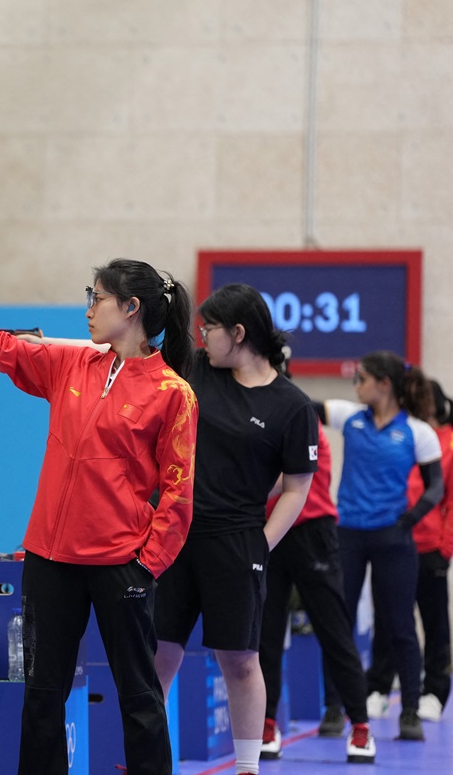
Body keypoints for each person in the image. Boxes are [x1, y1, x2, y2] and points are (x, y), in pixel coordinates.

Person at [0, 259, 198, 775]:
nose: (88, 309)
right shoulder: (73, 365)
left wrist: (146, 565)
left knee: (139, 696)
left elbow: (179, 493)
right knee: (42, 697)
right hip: (49, 559)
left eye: (98, 298)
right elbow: (7, 347)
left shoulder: (173, 394)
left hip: (121, 566)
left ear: (131, 308)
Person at [153, 284, 320, 775]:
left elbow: (296, 488)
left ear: (239, 333)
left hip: (238, 540)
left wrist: (261, 543)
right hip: (175, 535)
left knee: (240, 660)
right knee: (159, 652)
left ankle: (247, 766)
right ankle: (150, 758)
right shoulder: (195, 369)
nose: (201, 337)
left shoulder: (292, 406)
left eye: (210, 329)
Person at [315, 351, 444, 742]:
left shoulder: (418, 432)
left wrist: (408, 520)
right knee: (340, 625)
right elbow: (296, 404)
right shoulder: (346, 417)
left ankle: (409, 713)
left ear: (383, 385)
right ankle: (335, 709)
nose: (356, 387)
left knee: (401, 626)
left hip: (393, 539)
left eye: (363, 379)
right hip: (349, 536)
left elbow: (436, 486)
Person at [257, 413, 374, 762]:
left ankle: (361, 727)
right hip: (270, 533)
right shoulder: (254, 420)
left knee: (335, 631)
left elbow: (286, 478)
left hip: (313, 532)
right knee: (266, 634)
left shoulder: (300, 416)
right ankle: (265, 723)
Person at [361, 377, 453, 724]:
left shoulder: (446, 442)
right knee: (388, 619)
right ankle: (379, 688)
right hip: (392, 543)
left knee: (434, 624)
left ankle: (434, 692)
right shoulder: (393, 435)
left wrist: (444, 548)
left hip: (430, 548)